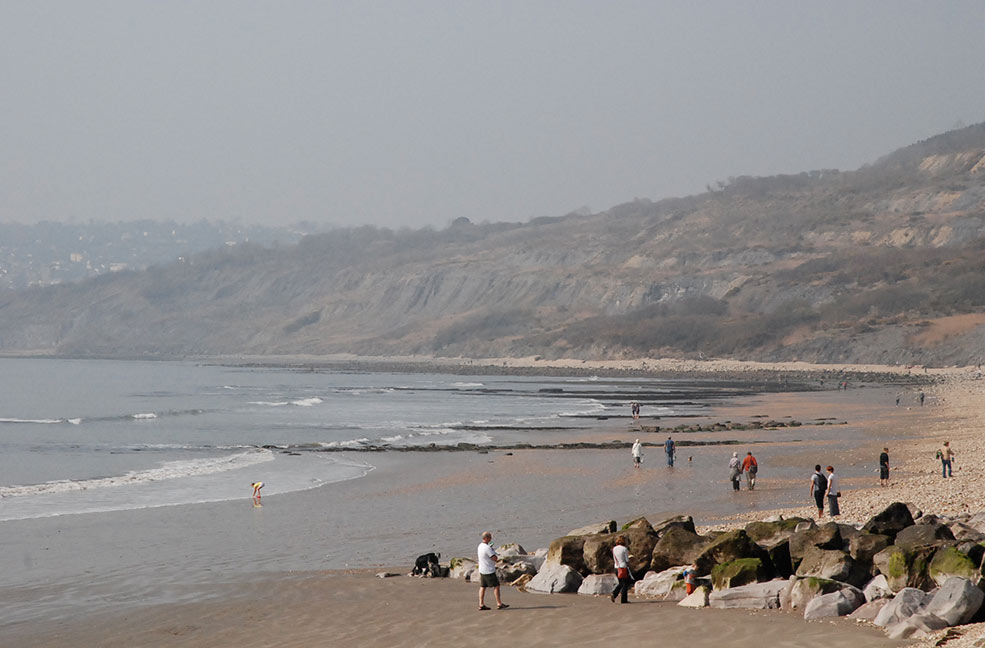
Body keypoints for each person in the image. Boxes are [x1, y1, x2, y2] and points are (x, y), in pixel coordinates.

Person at [477, 531, 508, 610]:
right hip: (489, 570)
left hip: (482, 569)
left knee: (483, 587)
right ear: (486, 538)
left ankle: (481, 604)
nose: (491, 539)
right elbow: (494, 558)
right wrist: (493, 551)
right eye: (490, 538)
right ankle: (499, 603)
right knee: (496, 586)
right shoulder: (487, 548)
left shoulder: (480, 546)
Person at [610, 535, 632, 604]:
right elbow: (626, 559)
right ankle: (622, 599)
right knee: (625, 584)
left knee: (621, 583)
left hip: (616, 567)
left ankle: (615, 594)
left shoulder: (614, 549)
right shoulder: (624, 549)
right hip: (623, 567)